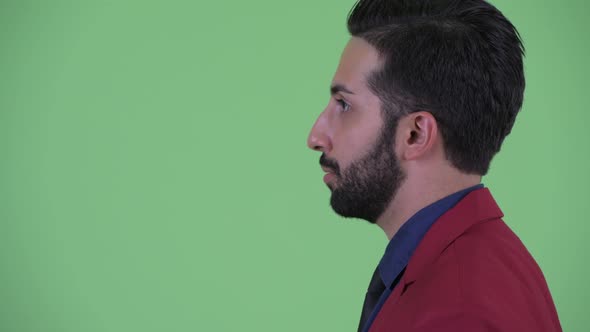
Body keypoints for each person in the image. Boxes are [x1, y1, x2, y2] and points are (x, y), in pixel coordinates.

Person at [306, 0, 562, 331]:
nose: (316, 136)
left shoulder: (458, 313)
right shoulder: (487, 262)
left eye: (344, 104)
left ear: (415, 134)